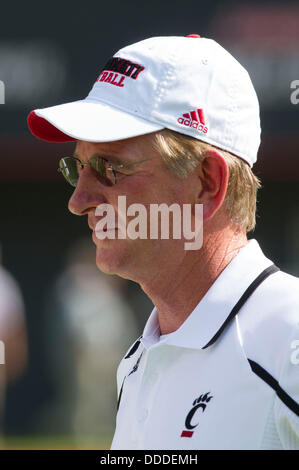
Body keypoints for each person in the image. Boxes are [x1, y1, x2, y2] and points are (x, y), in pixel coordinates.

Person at [27, 34, 299, 450]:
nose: (78, 201)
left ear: (207, 183)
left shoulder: (288, 341)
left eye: (108, 167)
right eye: (77, 167)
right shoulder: (138, 364)